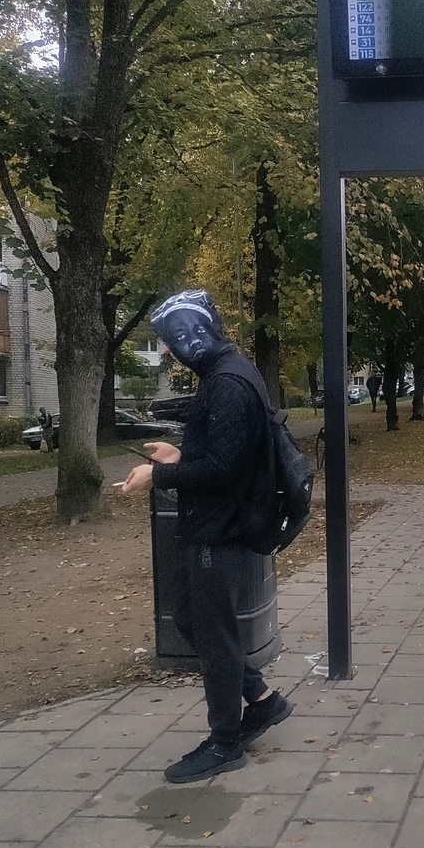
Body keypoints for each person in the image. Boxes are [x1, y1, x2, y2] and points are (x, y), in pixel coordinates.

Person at [122, 289, 293, 783]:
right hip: (214, 523)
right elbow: (224, 450)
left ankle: (225, 742)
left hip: (221, 530)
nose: (171, 352)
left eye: (172, 342)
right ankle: (261, 700)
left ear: (192, 334)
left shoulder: (229, 383)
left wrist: (159, 477)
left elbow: (223, 469)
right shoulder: (223, 374)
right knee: (190, 614)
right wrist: (178, 456)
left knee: (214, 635)